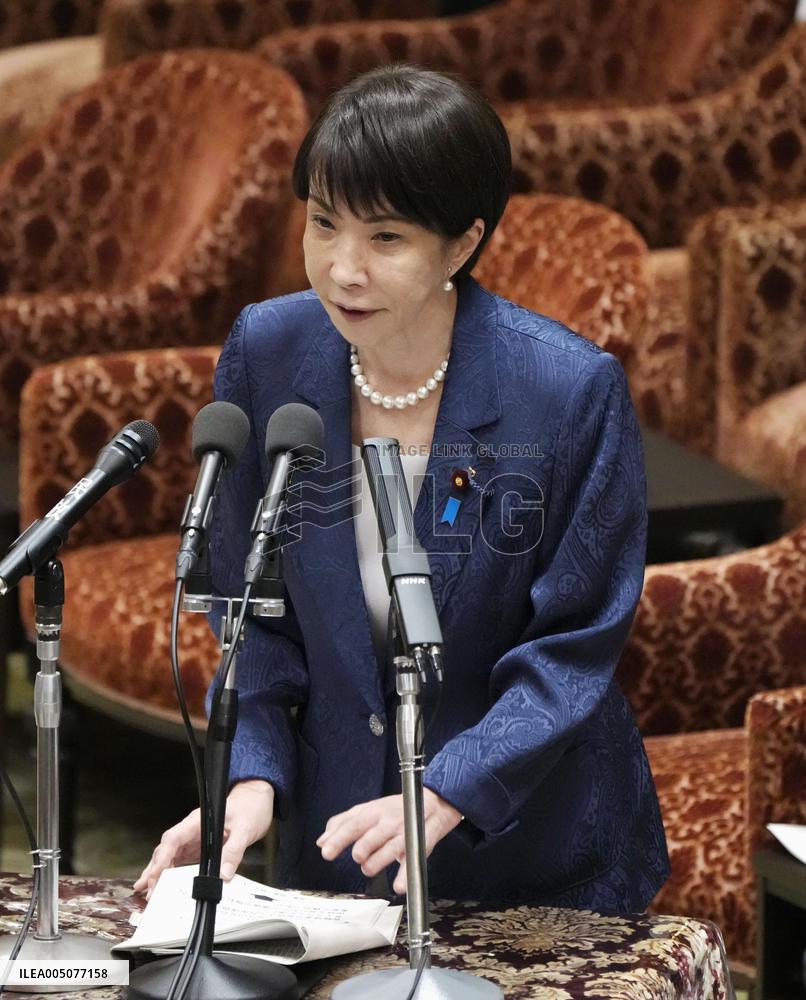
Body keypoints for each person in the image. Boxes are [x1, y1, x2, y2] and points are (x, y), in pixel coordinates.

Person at [136, 64, 669, 909]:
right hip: (342, 846)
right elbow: (252, 613)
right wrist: (252, 779)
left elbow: (572, 646)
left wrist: (448, 790)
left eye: (385, 239)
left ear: (461, 244)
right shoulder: (267, 353)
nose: (343, 269)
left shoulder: (566, 391)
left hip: (531, 856)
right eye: (322, 224)